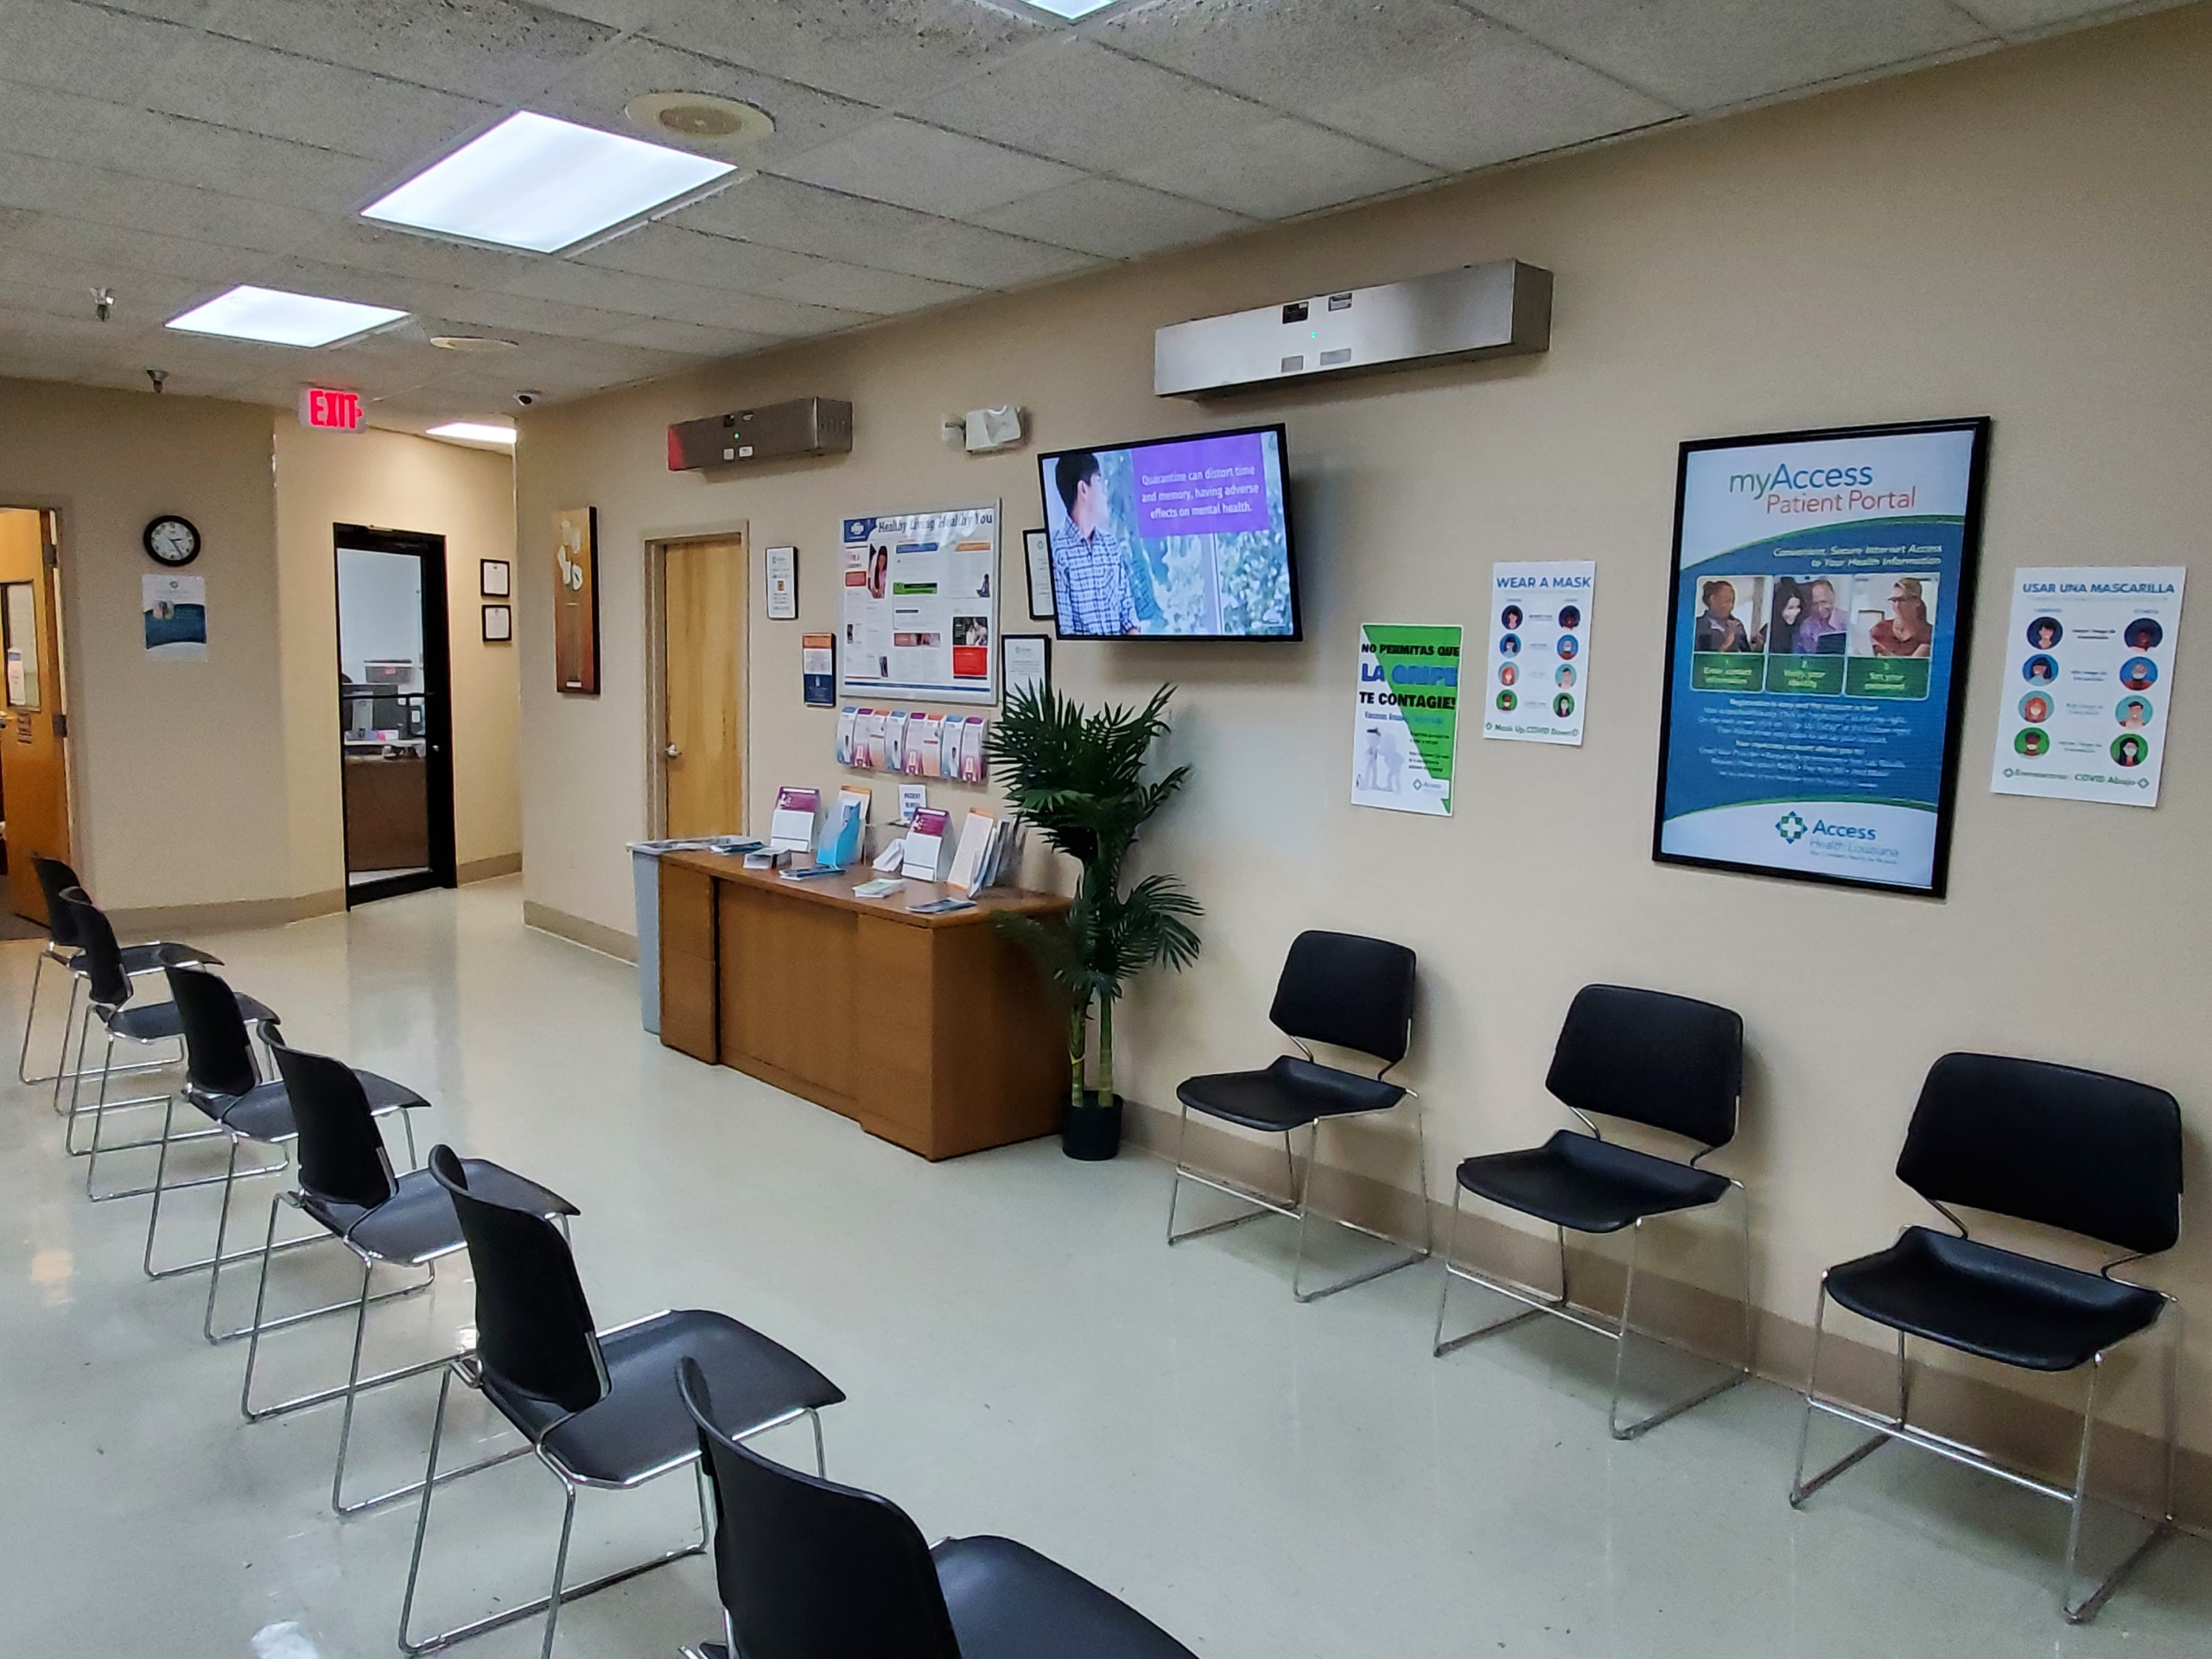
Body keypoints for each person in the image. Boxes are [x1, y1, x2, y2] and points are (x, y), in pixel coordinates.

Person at [1048, 451, 1139, 635]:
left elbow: (1129, 616)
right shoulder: (1057, 552)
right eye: (1099, 481)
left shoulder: (1110, 546)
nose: (1105, 490)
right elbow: (1065, 632)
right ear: (1083, 489)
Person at [1868, 577, 1934, 657]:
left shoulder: (1930, 634)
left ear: (1917, 602)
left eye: (1902, 600)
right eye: (1894, 600)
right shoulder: (1880, 630)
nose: (1897, 605)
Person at [1694, 580, 1751, 652]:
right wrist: (1726, 643)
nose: (1731, 606)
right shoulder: (1699, 626)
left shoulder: (1737, 625)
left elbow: (1747, 655)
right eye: (1727, 601)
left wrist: (1759, 646)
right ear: (1713, 599)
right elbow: (1701, 659)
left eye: (1733, 602)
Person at [1796, 579, 1849, 653]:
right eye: (1815, 604)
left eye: (1824, 602)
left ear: (1833, 598)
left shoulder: (1846, 620)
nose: (1820, 609)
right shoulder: (1807, 626)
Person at [1767, 580, 1802, 654]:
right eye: (1790, 608)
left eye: (1798, 607)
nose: (1795, 612)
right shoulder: (1768, 632)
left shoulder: (1802, 631)